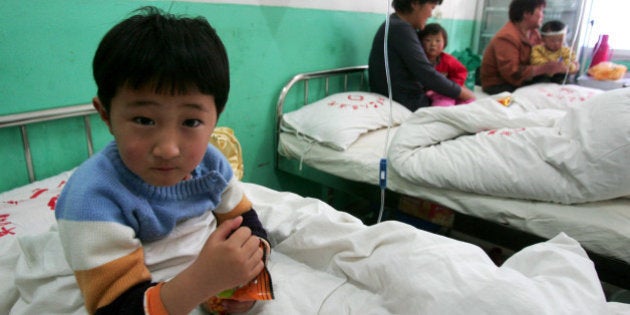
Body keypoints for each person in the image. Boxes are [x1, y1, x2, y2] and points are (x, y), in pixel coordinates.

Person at [55, 6, 270, 315]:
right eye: (144, 119)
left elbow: (246, 221)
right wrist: (203, 280)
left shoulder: (210, 164)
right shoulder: (91, 199)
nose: (168, 149)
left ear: (215, 119)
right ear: (106, 114)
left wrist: (246, 276)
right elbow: (117, 309)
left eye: (192, 122)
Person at [368, 0, 475, 111]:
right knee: (465, 105)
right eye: (432, 7)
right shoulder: (400, 29)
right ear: (415, 3)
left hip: (403, 98)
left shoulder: (395, 24)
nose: (430, 14)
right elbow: (427, 74)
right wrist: (463, 93)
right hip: (407, 103)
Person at [480, 0, 567, 94]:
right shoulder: (506, 37)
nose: (543, 15)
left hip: (520, 81)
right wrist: (544, 68)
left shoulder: (533, 33)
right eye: (540, 10)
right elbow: (513, 74)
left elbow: (545, 53)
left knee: (557, 81)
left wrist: (567, 64)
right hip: (499, 85)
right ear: (526, 13)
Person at [418, 22, 470, 106]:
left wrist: (452, 84)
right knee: (444, 105)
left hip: (447, 90)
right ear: (420, 42)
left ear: (444, 43)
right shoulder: (418, 59)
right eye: (428, 40)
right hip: (430, 93)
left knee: (469, 101)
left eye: (438, 40)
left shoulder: (448, 60)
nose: (433, 44)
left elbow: (461, 72)